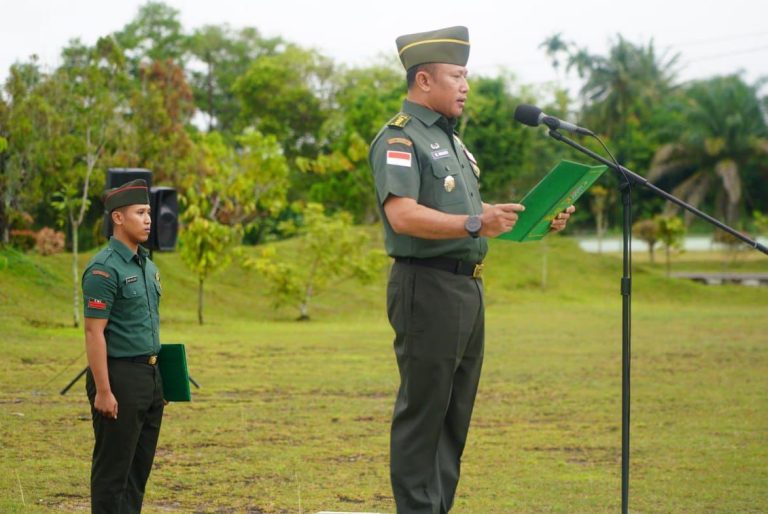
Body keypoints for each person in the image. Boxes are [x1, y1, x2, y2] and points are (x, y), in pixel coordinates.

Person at [368, 26, 575, 513]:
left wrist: (536, 221)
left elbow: (473, 218)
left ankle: (437, 507)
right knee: (424, 413)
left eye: (467, 76)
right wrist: (476, 220)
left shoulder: (454, 144)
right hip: (427, 287)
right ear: (424, 79)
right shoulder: (400, 138)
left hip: (467, 290)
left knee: (454, 414)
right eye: (457, 75)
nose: (466, 85)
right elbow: (402, 214)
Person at [81, 179, 164, 513]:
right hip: (118, 377)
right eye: (140, 212)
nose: (148, 219)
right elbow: (93, 333)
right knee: (113, 472)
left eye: (149, 212)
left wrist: (161, 380)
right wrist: (103, 390)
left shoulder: (148, 266)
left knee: (137, 474)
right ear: (118, 218)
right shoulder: (104, 268)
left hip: (150, 378)